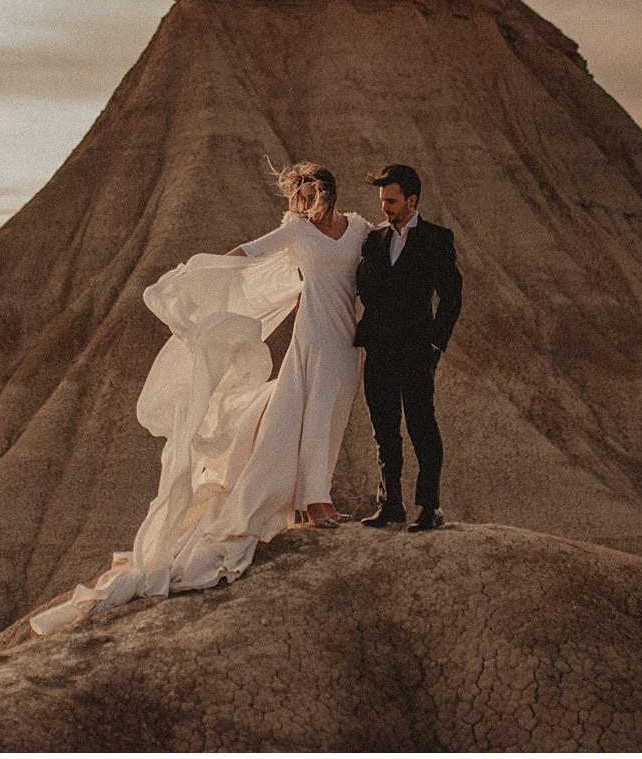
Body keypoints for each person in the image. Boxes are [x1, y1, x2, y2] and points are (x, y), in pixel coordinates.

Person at [30, 161, 371, 635]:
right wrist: (201, 274)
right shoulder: (294, 231)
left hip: (346, 338)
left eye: (308, 191)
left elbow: (386, 257)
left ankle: (319, 493)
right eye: (298, 194)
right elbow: (247, 254)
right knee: (310, 412)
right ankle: (316, 502)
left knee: (332, 414)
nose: (303, 200)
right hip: (310, 336)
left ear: (327, 190)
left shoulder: (358, 229)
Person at [355, 163, 462, 533]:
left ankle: (430, 507)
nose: (384, 207)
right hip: (378, 350)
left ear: (411, 200)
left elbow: (452, 295)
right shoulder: (374, 239)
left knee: (421, 427)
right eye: (382, 200)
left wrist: (436, 342)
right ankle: (391, 505)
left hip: (417, 350)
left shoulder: (437, 238)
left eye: (391, 200)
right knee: (384, 430)